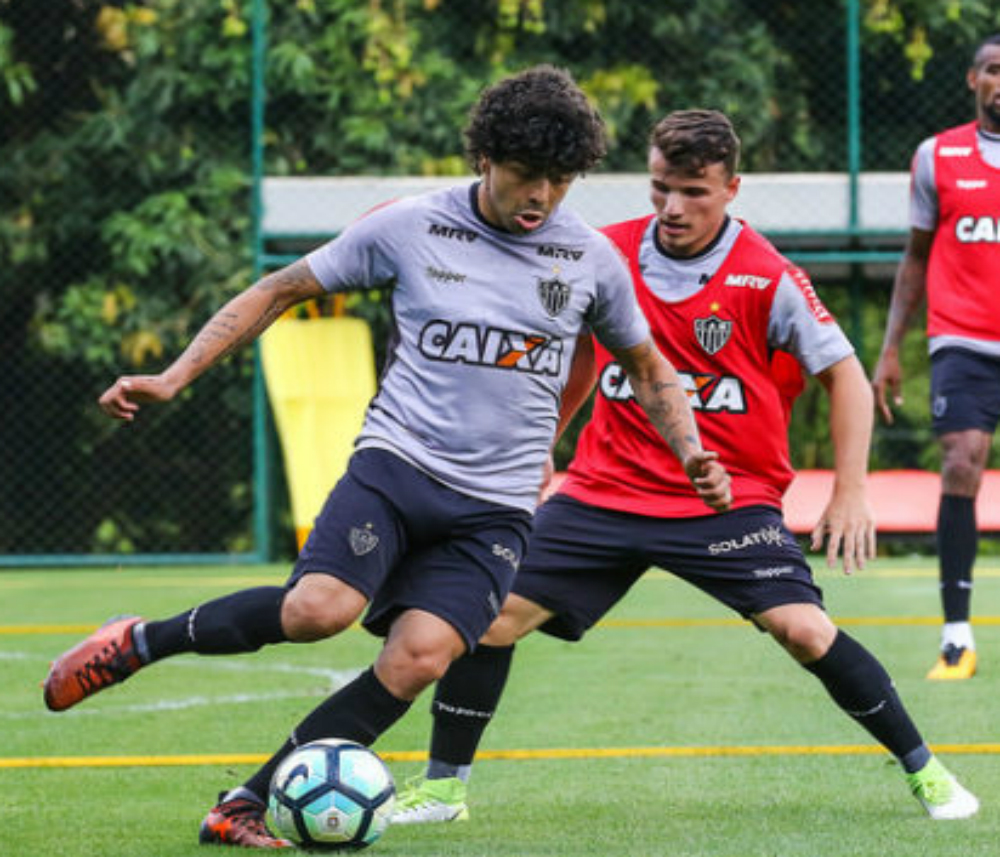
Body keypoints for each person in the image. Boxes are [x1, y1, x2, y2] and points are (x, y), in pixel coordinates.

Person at [42, 66, 731, 849]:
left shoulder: (590, 260)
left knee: (419, 658)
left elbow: (645, 367)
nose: (540, 195)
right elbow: (277, 290)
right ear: (484, 158)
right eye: (524, 175)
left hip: (496, 505)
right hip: (398, 466)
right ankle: (138, 641)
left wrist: (692, 452)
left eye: (559, 179)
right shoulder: (409, 226)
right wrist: (173, 375)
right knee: (315, 613)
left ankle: (242, 804)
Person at [390, 109, 979, 827]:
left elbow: (846, 375)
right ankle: (445, 788)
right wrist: (548, 434)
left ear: (731, 188)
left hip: (725, 503)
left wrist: (852, 492)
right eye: (661, 187)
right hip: (601, 493)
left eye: (694, 191)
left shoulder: (768, 278)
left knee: (804, 630)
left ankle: (928, 771)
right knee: (489, 619)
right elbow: (576, 353)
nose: (673, 207)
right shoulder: (603, 253)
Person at [872, 34, 1000, 681]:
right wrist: (890, 346)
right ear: (972, 80)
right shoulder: (936, 156)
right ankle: (957, 637)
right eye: (993, 70)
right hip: (963, 339)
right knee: (960, 461)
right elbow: (916, 256)